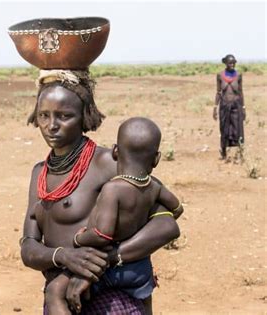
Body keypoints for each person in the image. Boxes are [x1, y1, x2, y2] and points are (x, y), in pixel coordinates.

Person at [20, 70, 181, 314]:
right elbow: (29, 248)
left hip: (110, 297)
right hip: (61, 299)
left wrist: (108, 260)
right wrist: (63, 256)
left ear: (84, 116)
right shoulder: (39, 174)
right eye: (44, 116)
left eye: (64, 116)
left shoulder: (109, 163)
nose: (51, 126)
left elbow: (166, 224)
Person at [45, 117, 184, 315]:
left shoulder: (112, 189)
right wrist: (142, 220)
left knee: (55, 291)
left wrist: (79, 238)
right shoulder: (154, 186)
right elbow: (177, 209)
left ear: (115, 151)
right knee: (144, 302)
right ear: (156, 158)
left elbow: (103, 235)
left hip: (107, 267)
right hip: (138, 268)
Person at [213, 54, 245, 161]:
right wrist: (214, 107)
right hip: (224, 106)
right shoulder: (220, 75)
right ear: (226, 63)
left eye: (234, 62)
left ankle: (240, 153)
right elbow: (218, 92)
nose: (232, 64)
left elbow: (241, 92)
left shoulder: (239, 75)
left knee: (238, 129)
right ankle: (224, 153)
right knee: (224, 128)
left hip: (236, 105)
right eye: (230, 62)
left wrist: (243, 107)